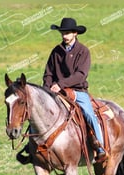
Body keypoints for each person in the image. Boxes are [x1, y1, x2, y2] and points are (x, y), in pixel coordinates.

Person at [43, 17, 106, 161]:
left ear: (75, 33)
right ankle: (33, 146)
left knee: (89, 114)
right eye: (62, 33)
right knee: (39, 112)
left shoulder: (83, 51)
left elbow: (80, 75)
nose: (65, 36)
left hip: (77, 91)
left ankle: (100, 146)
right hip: (55, 91)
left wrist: (61, 84)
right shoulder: (56, 51)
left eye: (68, 33)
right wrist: (46, 89)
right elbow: (48, 73)